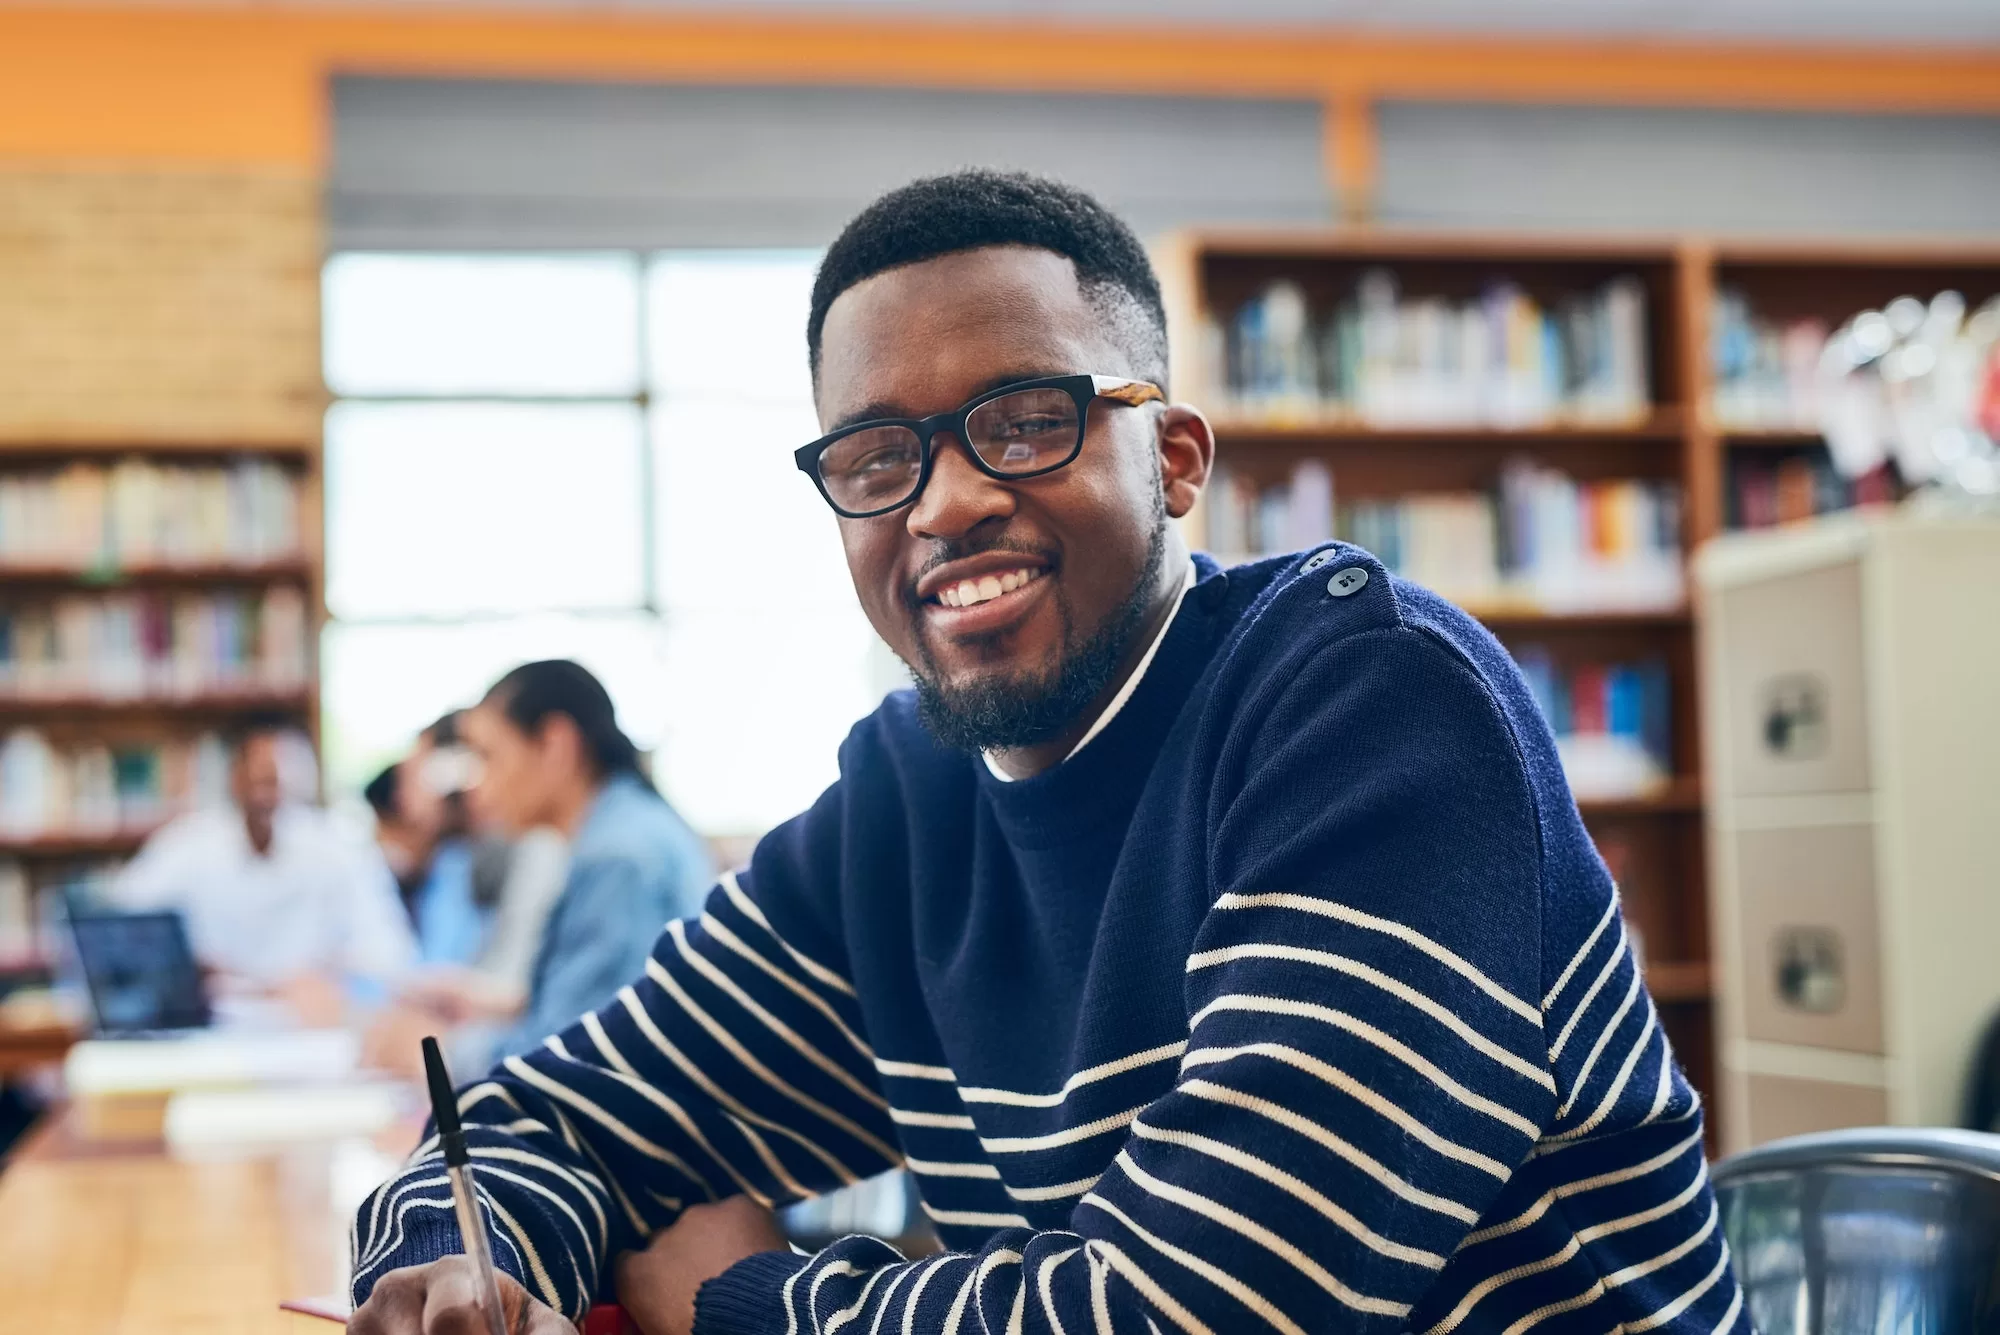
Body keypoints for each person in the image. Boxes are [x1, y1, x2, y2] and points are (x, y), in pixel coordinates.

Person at [349, 173, 1746, 1335]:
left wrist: (740, 1304)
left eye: (1028, 420)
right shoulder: (903, 803)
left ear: (1176, 458)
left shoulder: (1370, 706)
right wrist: (451, 1265)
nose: (948, 500)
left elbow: (1206, 1305)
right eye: (878, 456)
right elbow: (553, 1114)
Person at [366, 660, 710, 1075]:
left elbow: (579, 1061)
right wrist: (501, 1004)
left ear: (555, 745)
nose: (476, 784)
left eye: (488, 756)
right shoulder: (625, 827)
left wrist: (440, 1058)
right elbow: (600, 1006)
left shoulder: (618, 856)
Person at [112, 712, 414, 1018]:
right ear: (235, 778)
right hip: (213, 1025)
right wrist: (185, 964)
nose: (269, 795)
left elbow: (389, 955)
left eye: (280, 781)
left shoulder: (343, 851)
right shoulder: (186, 846)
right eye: (260, 779)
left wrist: (329, 972)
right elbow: (121, 923)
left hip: (313, 1029)